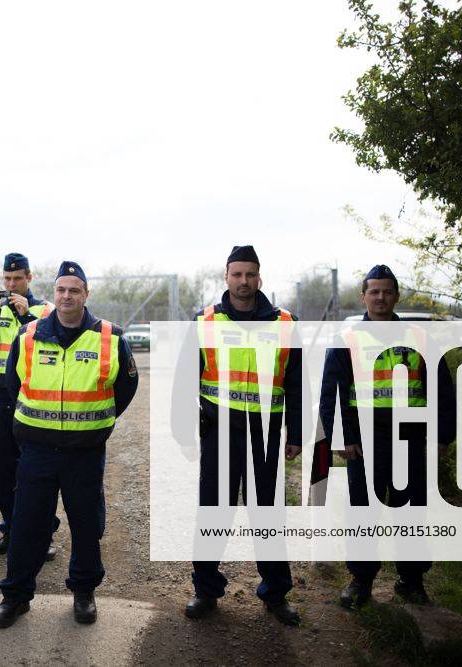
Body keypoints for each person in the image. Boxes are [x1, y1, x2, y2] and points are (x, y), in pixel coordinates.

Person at [0, 260, 139, 628]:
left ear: (86, 294)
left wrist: (93, 423)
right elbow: (15, 384)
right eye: (61, 289)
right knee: (27, 526)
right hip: (36, 452)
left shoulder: (110, 337)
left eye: (74, 290)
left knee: (86, 526)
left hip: (84, 452)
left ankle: (84, 592)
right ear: (53, 293)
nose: (67, 295)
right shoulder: (28, 334)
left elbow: (125, 389)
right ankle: (16, 596)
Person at [319, 264, 456, 608]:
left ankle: (411, 580)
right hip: (363, 442)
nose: (380, 297)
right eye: (374, 291)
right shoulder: (347, 338)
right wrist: (342, 436)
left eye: (387, 291)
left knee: (411, 512)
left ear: (396, 295)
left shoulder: (420, 336)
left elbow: (442, 389)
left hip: (411, 438)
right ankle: (361, 580)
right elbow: (331, 391)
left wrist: (441, 436)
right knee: (363, 511)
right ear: (363, 296)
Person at [183, 245, 303, 626]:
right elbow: (185, 380)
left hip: (265, 435)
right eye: (237, 274)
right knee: (213, 512)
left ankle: (275, 593)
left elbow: (298, 384)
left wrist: (296, 433)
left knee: (267, 514)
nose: (244, 281)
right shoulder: (204, 322)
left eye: (250, 274)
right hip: (219, 432)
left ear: (259, 278)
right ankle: (205, 591)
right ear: (226, 277)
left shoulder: (285, 323)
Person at [0, 252, 58, 558]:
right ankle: (12, 529)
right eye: (6, 278)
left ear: (29, 278)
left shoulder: (45, 310)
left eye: (17, 278)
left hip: (32, 401)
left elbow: (51, 345)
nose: (11, 283)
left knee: (35, 472)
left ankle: (43, 535)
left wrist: (24, 316)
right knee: (3, 472)